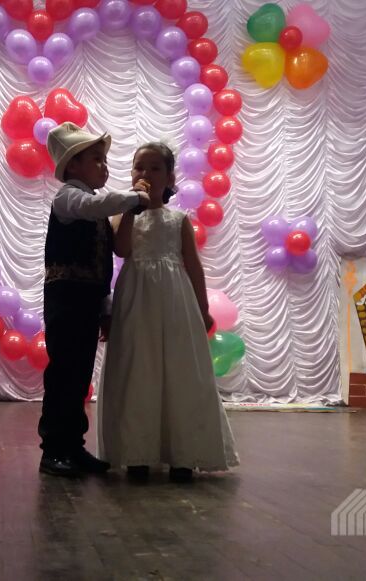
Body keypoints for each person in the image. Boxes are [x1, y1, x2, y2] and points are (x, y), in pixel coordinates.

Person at [99, 142, 239, 483]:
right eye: (139, 167)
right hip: (136, 299)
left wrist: (203, 309)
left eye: (154, 168)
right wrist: (131, 208)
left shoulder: (178, 220)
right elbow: (122, 249)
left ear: (170, 177)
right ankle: (137, 453)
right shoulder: (123, 214)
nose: (145, 174)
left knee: (179, 370)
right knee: (138, 369)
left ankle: (183, 453)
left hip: (175, 301)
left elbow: (194, 267)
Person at [38, 122, 150, 478]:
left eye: (105, 159)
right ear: (72, 166)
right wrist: (134, 198)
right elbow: (95, 206)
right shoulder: (70, 197)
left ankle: (73, 445)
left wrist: (105, 309)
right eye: (97, 159)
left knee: (79, 375)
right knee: (64, 374)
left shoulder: (94, 209)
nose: (105, 166)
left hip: (86, 302)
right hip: (66, 301)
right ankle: (53, 450)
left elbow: (101, 267)